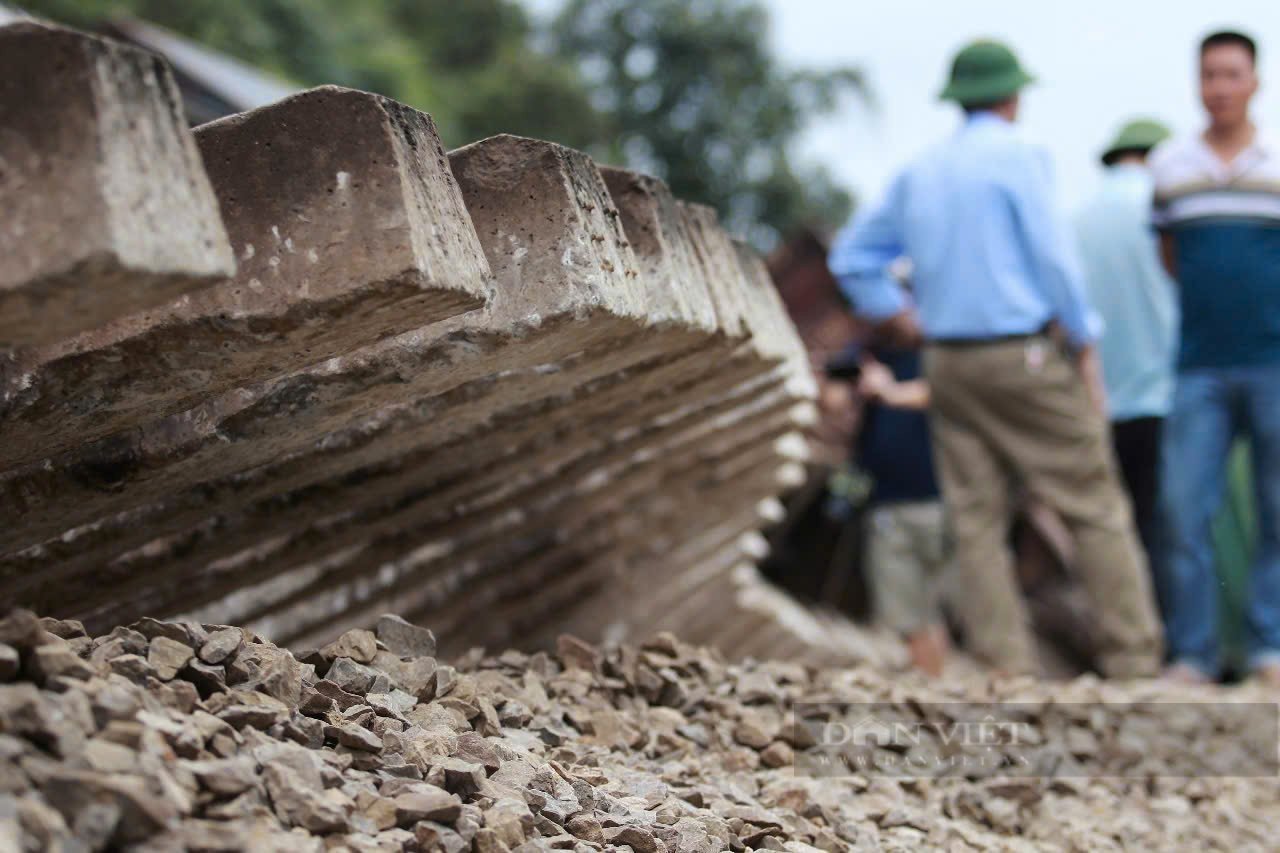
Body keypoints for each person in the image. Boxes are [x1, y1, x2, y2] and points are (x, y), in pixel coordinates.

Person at [827, 39, 1163, 678]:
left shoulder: (919, 170)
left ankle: (1005, 668)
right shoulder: (1020, 156)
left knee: (976, 518)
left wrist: (899, 313)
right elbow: (1054, 257)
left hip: (947, 360)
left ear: (957, 100)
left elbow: (852, 257)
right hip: (1022, 356)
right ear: (1013, 97)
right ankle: (1133, 662)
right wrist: (1084, 338)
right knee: (1093, 503)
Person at [1149, 30, 1280, 685]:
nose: (1220, 87)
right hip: (1198, 365)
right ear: (1196, 83)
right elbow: (1172, 259)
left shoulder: (1277, 160)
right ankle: (1192, 653)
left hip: (1274, 363)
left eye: (1232, 74)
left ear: (1254, 80)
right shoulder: (1171, 169)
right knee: (1182, 508)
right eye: (1209, 75)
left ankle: (1269, 647)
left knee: (1276, 507)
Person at [1073, 119, 1177, 583]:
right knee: (1173, 526)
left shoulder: (1077, 219)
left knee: (1115, 527)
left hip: (1099, 402)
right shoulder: (1168, 209)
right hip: (1169, 394)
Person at [836, 335, 950, 677]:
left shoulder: (945, 350)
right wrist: (852, 389)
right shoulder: (867, 352)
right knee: (904, 611)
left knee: (928, 609)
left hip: (936, 499)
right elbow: (833, 401)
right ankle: (924, 682)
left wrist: (887, 390)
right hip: (884, 500)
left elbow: (946, 395)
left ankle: (930, 685)